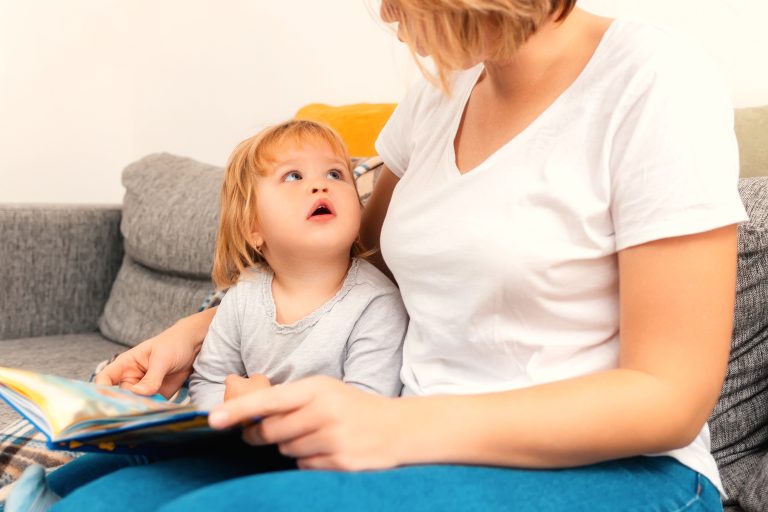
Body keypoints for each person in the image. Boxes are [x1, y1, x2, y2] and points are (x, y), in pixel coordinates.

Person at [39, 0, 748, 510]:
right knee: (84, 489)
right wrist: (191, 335)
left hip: (622, 471)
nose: (386, 15)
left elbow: (670, 398)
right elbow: (361, 263)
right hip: (414, 437)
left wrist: (392, 426)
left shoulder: (653, 83)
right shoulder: (440, 99)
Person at [5, 120, 407, 512]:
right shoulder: (243, 296)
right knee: (112, 459)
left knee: (138, 488)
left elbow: (367, 408)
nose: (320, 185)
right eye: (292, 177)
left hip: (313, 461)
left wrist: (264, 412)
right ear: (253, 228)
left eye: (336, 173)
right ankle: (39, 495)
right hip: (237, 440)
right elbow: (212, 377)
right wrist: (227, 417)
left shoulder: (376, 304)